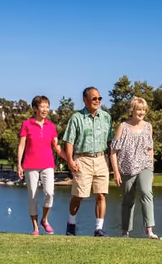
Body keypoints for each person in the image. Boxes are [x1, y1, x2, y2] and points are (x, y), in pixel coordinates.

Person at [63, 87, 114, 237]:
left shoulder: (106, 117)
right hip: (82, 159)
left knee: (101, 195)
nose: (97, 101)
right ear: (85, 100)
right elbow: (69, 141)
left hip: (101, 159)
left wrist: (111, 162)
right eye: (94, 99)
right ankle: (71, 224)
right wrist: (70, 160)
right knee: (79, 195)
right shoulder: (76, 117)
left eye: (99, 98)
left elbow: (110, 142)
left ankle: (99, 229)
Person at [17, 95, 67, 235]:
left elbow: (57, 147)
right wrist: (19, 165)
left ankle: (45, 220)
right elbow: (21, 146)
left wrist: (69, 160)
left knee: (49, 193)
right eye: (42, 106)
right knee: (32, 196)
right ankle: (35, 228)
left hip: (47, 164)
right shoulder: (27, 124)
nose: (45, 109)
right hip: (30, 165)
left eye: (47, 107)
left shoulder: (51, 126)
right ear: (35, 108)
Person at [109, 97, 158, 239]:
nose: (141, 112)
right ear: (132, 110)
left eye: (144, 110)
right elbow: (113, 151)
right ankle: (125, 232)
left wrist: (152, 168)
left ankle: (149, 231)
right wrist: (116, 172)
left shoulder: (148, 126)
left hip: (145, 165)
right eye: (139, 109)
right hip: (127, 168)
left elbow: (150, 149)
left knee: (146, 192)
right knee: (128, 200)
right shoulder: (123, 127)